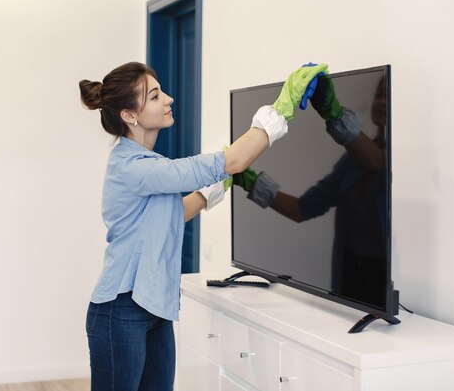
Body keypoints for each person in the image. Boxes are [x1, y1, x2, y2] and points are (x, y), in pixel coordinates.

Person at [78, 61, 327, 391]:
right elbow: (233, 159)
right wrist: (282, 107)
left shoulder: (149, 165)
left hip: (154, 307)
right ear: (129, 115)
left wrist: (217, 187)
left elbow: (170, 215)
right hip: (120, 311)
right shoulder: (131, 166)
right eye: (154, 96)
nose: (168, 99)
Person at [233, 75, 388, 307]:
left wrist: (334, 114)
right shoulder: (350, 163)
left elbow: (376, 163)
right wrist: (248, 180)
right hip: (347, 277)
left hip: (380, 281)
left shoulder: (395, 161)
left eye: (387, 95)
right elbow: (302, 208)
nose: (381, 101)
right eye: (378, 94)